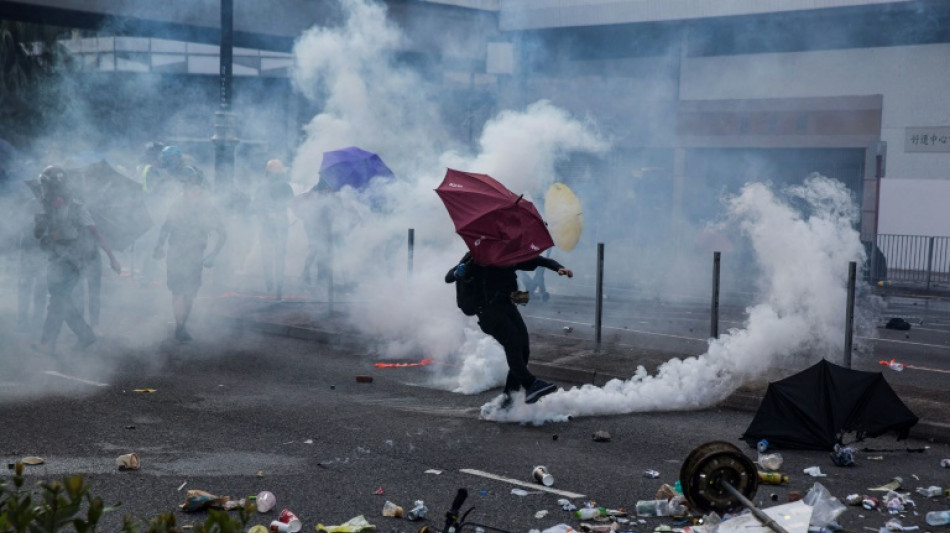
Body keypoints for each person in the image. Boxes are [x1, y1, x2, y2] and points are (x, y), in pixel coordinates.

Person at [445, 251, 573, 407]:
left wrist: (559, 268)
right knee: (513, 342)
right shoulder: (477, 257)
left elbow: (538, 260)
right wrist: (458, 273)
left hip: (508, 306)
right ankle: (530, 384)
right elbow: (448, 277)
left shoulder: (508, 254)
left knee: (523, 348)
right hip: (488, 312)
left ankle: (509, 397)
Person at [32, 166, 122, 355]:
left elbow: (96, 233)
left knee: (58, 300)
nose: (44, 190)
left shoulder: (77, 207)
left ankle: (47, 343)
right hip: (55, 259)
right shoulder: (45, 206)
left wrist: (112, 258)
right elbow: (39, 234)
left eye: (46, 186)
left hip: (73, 261)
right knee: (60, 301)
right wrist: (40, 221)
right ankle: (85, 335)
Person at [153, 171, 226, 343]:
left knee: (190, 293)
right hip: (176, 254)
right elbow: (166, 227)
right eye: (191, 187)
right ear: (186, 189)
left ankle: (182, 325)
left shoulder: (208, 209)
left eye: (198, 188)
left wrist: (214, 254)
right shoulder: (177, 206)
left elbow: (223, 233)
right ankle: (180, 327)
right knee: (178, 291)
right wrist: (158, 246)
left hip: (195, 256)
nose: (195, 191)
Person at [252, 159, 294, 299]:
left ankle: (278, 285)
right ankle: (271, 284)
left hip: (280, 225)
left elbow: (291, 203)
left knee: (279, 254)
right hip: (267, 225)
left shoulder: (285, 187)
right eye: (273, 169)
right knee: (269, 255)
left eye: (277, 169)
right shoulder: (263, 187)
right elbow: (256, 205)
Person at [295, 179, 333, 289]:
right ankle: (308, 276)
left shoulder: (322, 191)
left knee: (320, 250)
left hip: (317, 225)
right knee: (317, 249)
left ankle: (316, 277)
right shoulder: (317, 192)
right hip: (314, 226)